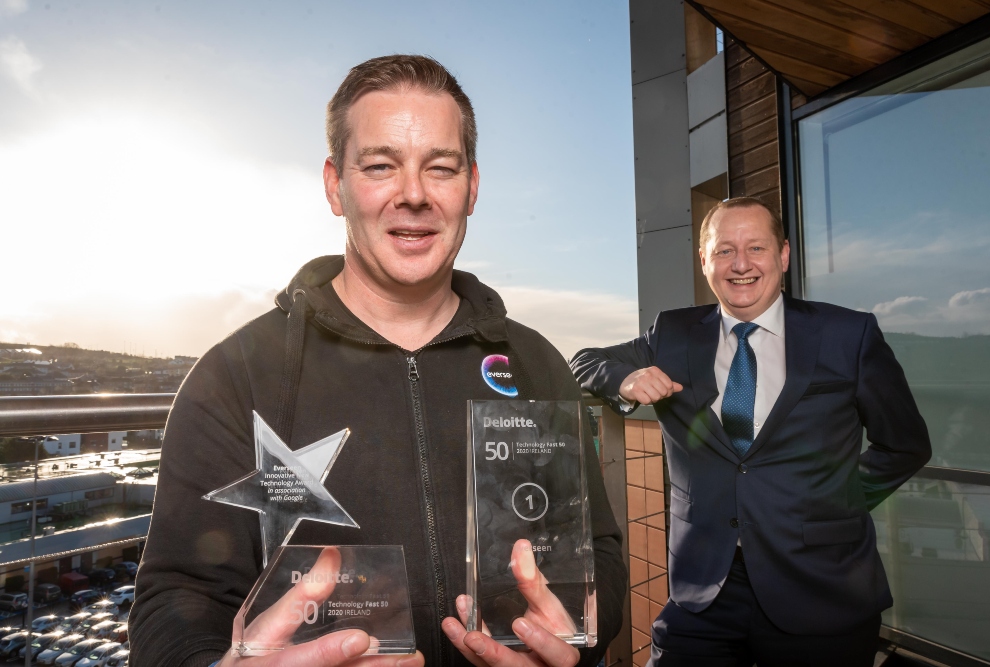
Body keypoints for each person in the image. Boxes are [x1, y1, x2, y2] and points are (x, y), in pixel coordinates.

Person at [130, 55, 626, 667]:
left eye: (439, 168)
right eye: (381, 166)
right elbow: (173, 599)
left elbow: (598, 555)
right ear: (335, 186)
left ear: (472, 186)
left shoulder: (536, 363)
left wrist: (576, 637)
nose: (413, 195)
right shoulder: (233, 377)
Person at [571, 197, 931, 667]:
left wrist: (838, 499)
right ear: (704, 262)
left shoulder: (848, 334)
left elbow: (904, 445)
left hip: (820, 588)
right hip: (704, 591)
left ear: (782, 256)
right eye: (724, 251)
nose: (740, 264)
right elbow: (585, 361)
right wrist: (624, 379)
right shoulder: (674, 332)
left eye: (756, 248)